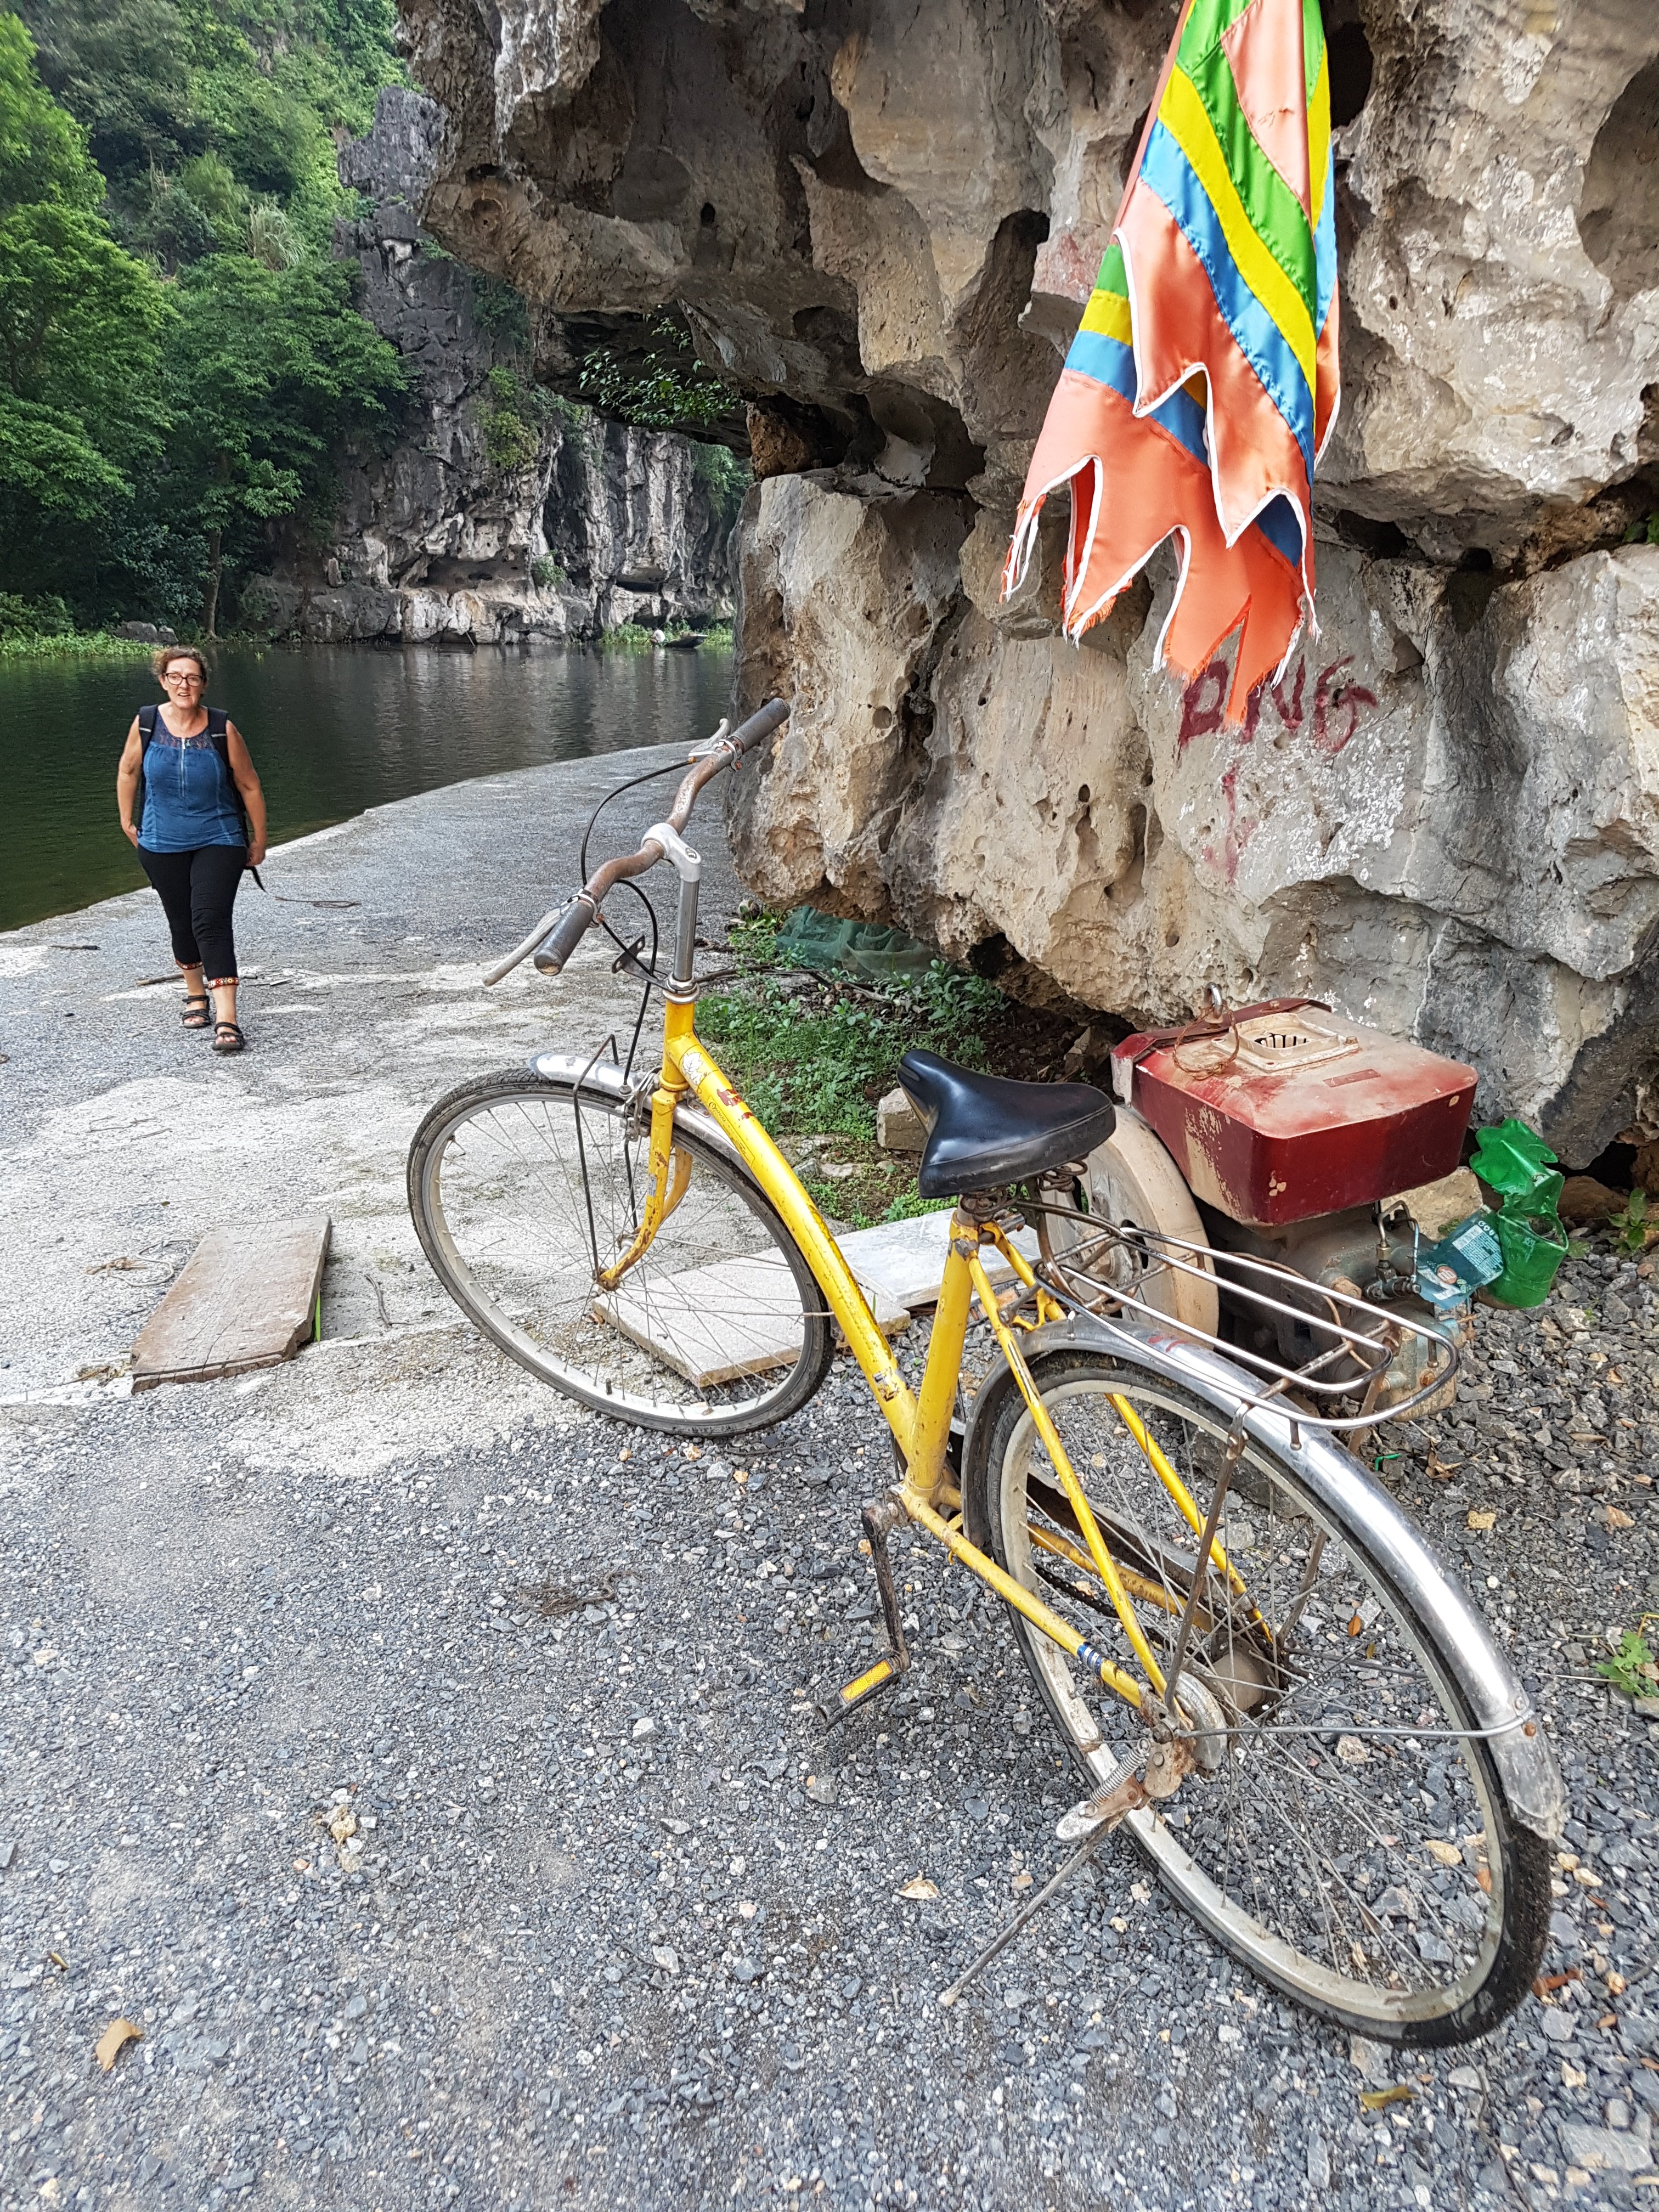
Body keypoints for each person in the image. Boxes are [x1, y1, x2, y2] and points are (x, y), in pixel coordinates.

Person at [115, 646, 267, 1054]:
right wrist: (126, 820)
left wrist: (259, 839)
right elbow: (128, 770)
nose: (184, 685)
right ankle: (196, 994)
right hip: (161, 841)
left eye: (193, 678)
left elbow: (249, 785)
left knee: (210, 921)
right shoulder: (147, 723)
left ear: (204, 684)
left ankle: (227, 1019)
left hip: (219, 837)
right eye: (176, 677)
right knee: (181, 921)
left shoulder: (221, 728)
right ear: (163, 681)